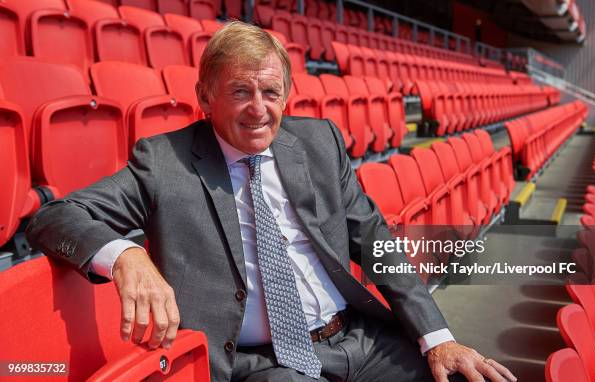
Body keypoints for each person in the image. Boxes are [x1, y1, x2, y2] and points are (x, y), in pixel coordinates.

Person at [26, 21, 516, 382]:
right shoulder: (164, 162)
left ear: (287, 96)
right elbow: (53, 216)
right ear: (205, 96)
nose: (258, 109)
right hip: (263, 363)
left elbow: (376, 241)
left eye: (270, 92)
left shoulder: (319, 143)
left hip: (359, 340)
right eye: (240, 91)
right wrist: (125, 255)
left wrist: (438, 338)